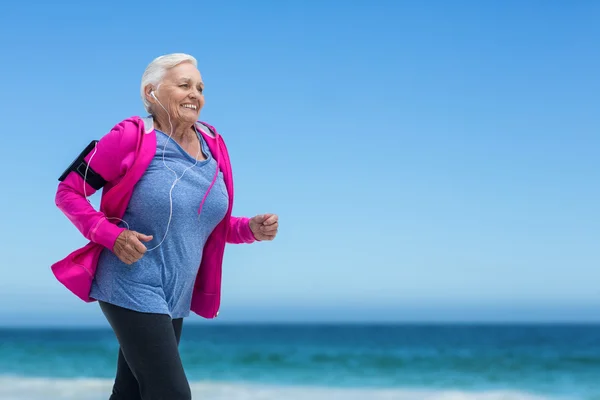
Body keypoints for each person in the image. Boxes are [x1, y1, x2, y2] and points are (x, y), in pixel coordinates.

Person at [51, 53, 279, 400]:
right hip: (130, 282)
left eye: (200, 88)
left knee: (129, 393)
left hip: (176, 294)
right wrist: (110, 235)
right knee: (171, 394)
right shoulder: (131, 136)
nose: (195, 94)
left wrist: (250, 228)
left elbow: (206, 224)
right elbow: (68, 192)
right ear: (151, 91)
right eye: (184, 85)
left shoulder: (214, 146)